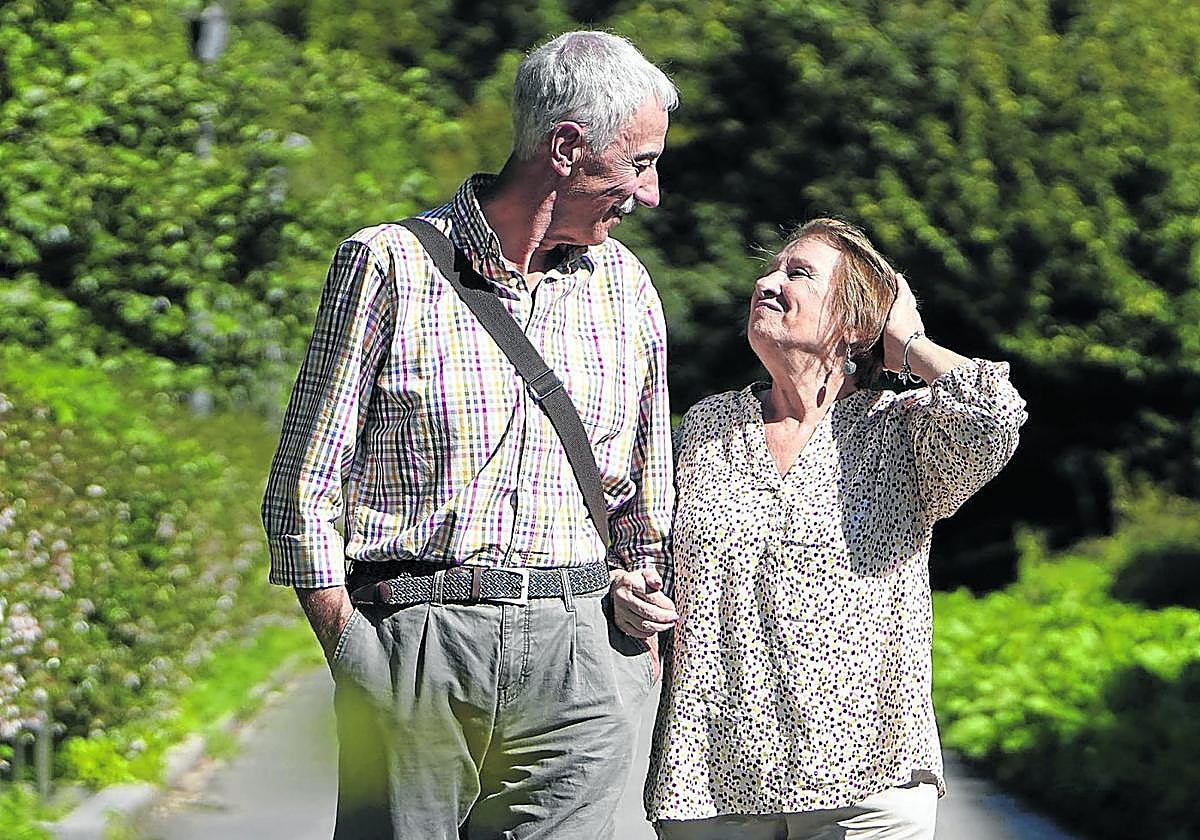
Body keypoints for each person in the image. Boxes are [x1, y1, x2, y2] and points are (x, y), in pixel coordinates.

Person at [261, 31, 681, 840]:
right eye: (641, 163)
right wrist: (356, 652)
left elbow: (638, 483)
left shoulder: (627, 288)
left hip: (582, 653)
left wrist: (641, 585)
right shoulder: (388, 264)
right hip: (419, 641)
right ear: (566, 149)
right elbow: (303, 486)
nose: (651, 193)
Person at [645, 218, 1028, 839]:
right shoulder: (708, 428)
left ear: (853, 325)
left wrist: (908, 340)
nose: (768, 282)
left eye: (798, 275)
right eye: (771, 270)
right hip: (712, 785)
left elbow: (997, 411)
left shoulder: (900, 431)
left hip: (870, 784)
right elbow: (657, 553)